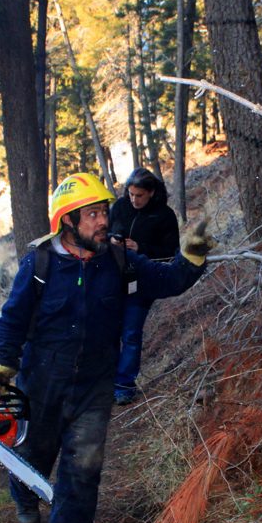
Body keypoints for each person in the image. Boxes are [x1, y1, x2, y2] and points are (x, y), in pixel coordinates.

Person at [0, 172, 215, 523]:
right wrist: (4, 361)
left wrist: (191, 258)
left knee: (83, 462)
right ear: (68, 222)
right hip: (42, 379)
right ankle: (23, 491)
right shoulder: (39, 264)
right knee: (36, 449)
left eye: (104, 211)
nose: (103, 221)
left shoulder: (118, 260)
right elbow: (14, 317)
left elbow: (169, 280)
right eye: (91, 215)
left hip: (95, 382)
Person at [108, 168, 181, 405]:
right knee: (108, 332)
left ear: (150, 192)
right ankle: (105, 382)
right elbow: (104, 232)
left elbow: (170, 253)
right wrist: (111, 240)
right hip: (113, 278)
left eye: (139, 195)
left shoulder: (164, 215)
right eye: (130, 194)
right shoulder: (119, 207)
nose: (133, 200)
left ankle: (123, 385)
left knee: (130, 332)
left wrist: (141, 249)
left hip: (142, 282)